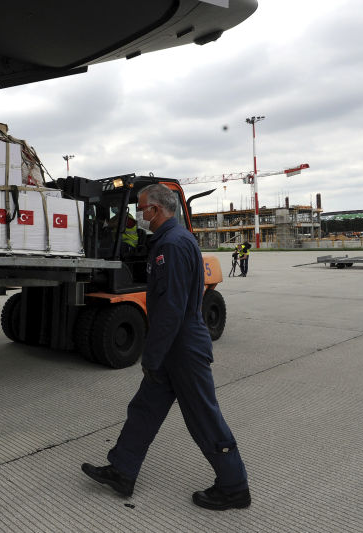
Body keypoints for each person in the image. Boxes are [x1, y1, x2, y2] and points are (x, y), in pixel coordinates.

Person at [81, 184, 250, 511]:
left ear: (155, 210)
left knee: (203, 417)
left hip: (182, 348)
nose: (138, 216)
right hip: (174, 345)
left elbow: (171, 308)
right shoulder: (171, 240)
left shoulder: (171, 245)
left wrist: (152, 356)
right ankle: (122, 470)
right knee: (144, 408)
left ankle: (234, 486)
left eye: (141, 209)